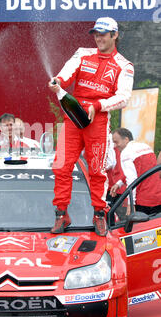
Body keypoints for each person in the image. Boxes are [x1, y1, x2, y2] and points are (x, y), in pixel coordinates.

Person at [48, 17, 134, 236]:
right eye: (96, 33)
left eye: (104, 33)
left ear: (115, 35)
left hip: (99, 120)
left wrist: (99, 105)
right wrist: (57, 81)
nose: (98, 37)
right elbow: (66, 73)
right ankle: (61, 215)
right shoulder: (82, 53)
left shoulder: (124, 65)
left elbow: (124, 98)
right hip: (73, 117)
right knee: (61, 166)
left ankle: (99, 213)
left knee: (97, 170)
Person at [111, 128, 161, 215]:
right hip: (158, 196)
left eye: (116, 142)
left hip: (143, 201)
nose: (115, 146)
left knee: (140, 228)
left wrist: (131, 204)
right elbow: (141, 171)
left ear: (126, 139)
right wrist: (119, 183)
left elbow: (132, 179)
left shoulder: (126, 153)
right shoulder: (146, 147)